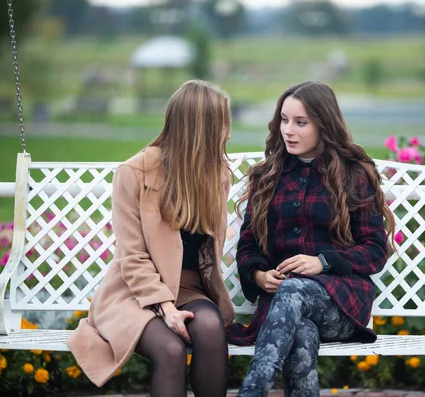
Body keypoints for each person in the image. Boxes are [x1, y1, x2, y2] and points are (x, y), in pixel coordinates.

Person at [226, 81, 396, 397]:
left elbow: (375, 251)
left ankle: (252, 392)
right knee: (301, 331)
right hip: (283, 305)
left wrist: (322, 262)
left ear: (323, 125)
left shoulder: (353, 175)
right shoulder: (268, 176)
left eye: (300, 122)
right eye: (284, 120)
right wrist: (259, 275)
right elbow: (248, 245)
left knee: (294, 290)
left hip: (340, 303)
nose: (288, 130)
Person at [68, 79, 235, 397]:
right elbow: (132, 256)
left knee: (211, 329)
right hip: (132, 294)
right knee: (171, 350)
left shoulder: (217, 175)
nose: (228, 133)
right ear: (203, 128)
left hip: (187, 289)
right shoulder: (134, 174)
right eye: (224, 124)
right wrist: (165, 307)